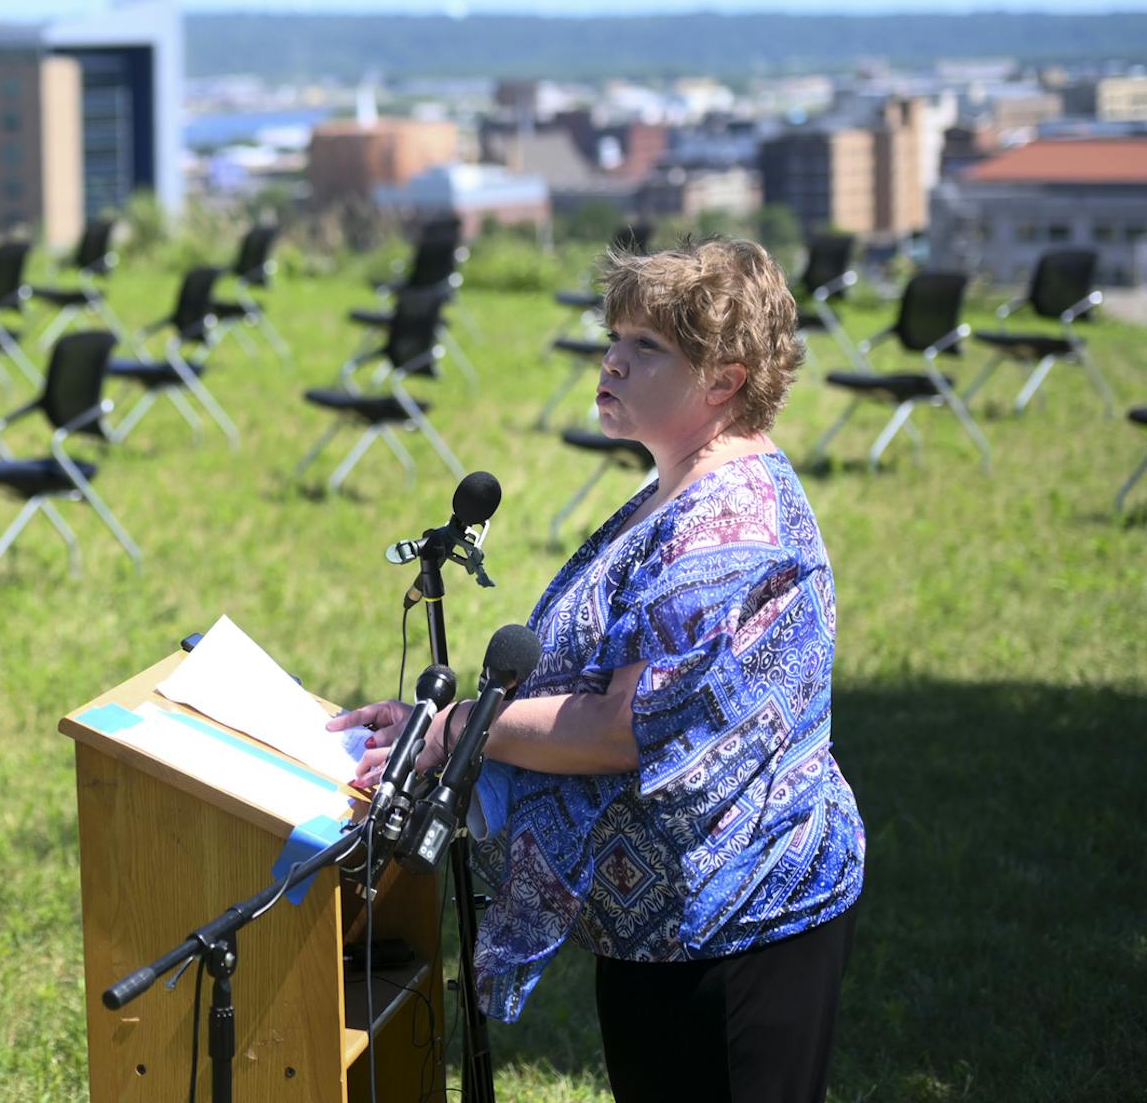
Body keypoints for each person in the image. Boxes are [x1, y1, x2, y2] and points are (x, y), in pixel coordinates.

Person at [329, 238, 865, 1103]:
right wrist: (444, 725)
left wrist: (462, 731)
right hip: (666, 922)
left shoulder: (725, 523)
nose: (611, 358)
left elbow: (626, 727)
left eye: (647, 347)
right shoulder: (675, 487)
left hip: (740, 923)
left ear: (724, 379)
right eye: (615, 336)